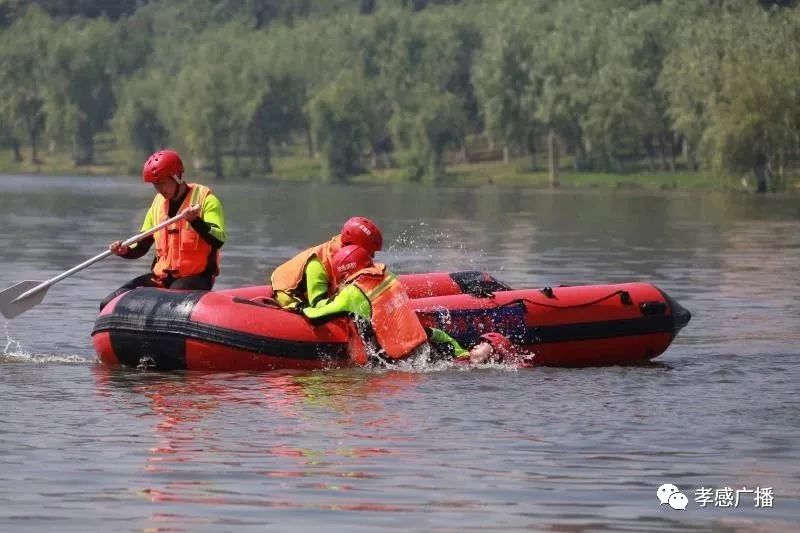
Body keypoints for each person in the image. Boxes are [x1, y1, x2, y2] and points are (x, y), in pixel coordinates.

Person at [99, 150, 226, 310]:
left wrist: (196, 221)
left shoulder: (207, 201)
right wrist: (124, 251)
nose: (159, 189)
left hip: (196, 278)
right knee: (108, 303)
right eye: (155, 184)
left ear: (177, 177)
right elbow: (141, 246)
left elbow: (218, 239)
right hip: (162, 278)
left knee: (166, 305)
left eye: (162, 182)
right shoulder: (157, 205)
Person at [301, 244, 467, 365]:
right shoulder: (389, 278)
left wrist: (300, 307)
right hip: (426, 344)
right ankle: (464, 355)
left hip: (397, 362)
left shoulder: (353, 293)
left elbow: (316, 316)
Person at [270, 216, 383, 310]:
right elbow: (318, 305)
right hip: (288, 291)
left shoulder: (350, 255)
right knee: (303, 311)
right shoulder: (318, 264)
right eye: (368, 252)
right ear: (351, 245)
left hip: (320, 290)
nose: (372, 257)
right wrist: (347, 302)